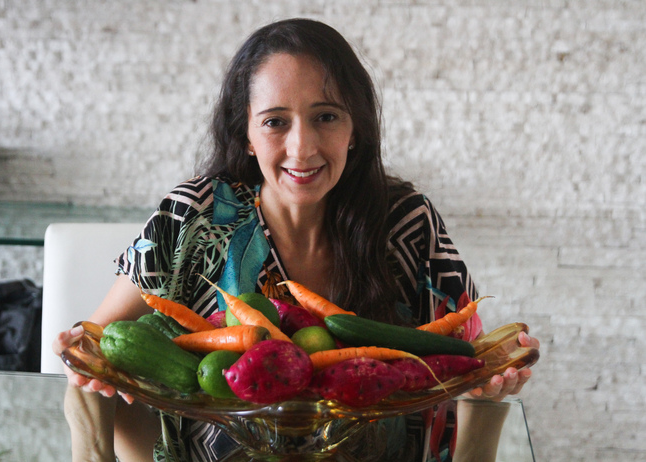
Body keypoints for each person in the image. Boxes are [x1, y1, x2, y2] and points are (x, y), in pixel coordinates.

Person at [53, 18, 540, 462]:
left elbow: (473, 367)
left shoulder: (406, 222)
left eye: (326, 116)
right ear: (245, 133)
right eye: (275, 121)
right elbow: (101, 355)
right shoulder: (194, 217)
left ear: (355, 129)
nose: (302, 147)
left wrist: (492, 386)